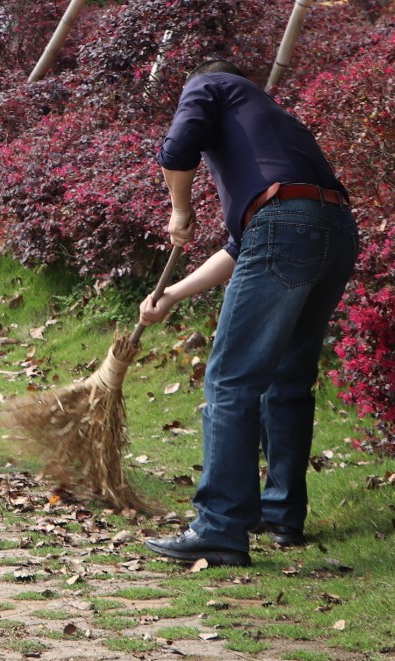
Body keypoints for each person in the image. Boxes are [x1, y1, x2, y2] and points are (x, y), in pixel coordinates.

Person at [137, 59, 357, 566]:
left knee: (230, 380)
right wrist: (173, 295)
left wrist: (179, 208)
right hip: (336, 231)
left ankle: (219, 528)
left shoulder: (212, 82)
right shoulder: (273, 134)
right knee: (287, 381)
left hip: (287, 227)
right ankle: (280, 514)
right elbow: (244, 247)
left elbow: (177, 148)